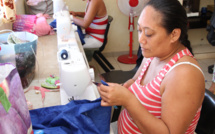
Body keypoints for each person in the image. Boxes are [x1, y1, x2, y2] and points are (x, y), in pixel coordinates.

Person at [98, 0, 205, 133]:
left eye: (148, 34)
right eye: (139, 30)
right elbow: (134, 81)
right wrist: (121, 89)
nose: (141, 40)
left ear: (174, 34)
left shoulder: (184, 75)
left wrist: (128, 100)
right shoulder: (154, 54)